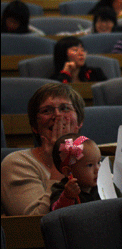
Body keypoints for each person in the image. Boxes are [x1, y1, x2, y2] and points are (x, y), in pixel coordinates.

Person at [1, 83, 85, 215]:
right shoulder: (16, 164)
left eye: (65, 108)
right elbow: (35, 223)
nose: (57, 115)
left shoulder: (92, 159)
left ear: (79, 122)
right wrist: (58, 161)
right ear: (35, 126)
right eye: (47, 110)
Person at [50, 134, 101, 211]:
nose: (98, 169)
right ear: (68, 172)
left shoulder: (103, 185)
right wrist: (67, 197)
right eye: (90, 165)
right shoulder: (62, 190)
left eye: (98, 162)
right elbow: (56, 214)